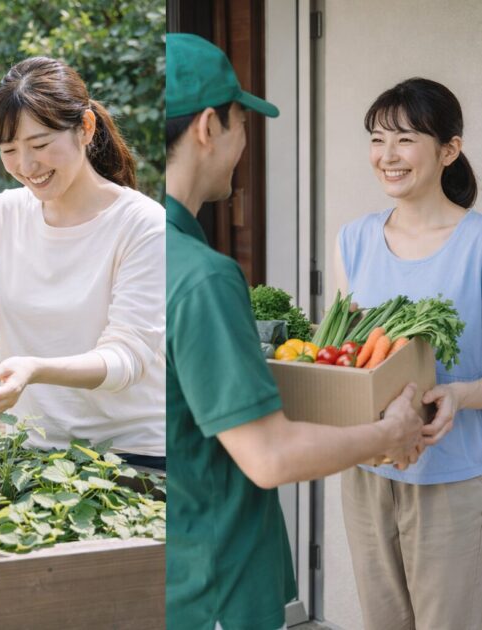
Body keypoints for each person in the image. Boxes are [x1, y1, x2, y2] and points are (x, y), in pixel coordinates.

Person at [165, 34, 426, 630]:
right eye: (241, 123)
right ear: (208, 126)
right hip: (215, 585)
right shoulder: (202, 276)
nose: (244, 142)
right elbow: (269, 456)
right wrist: (389, 432)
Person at [0, 56, 166, 470]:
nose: (25, 166)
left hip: (133, 458)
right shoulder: (7, 213)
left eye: (39, 145)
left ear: (85, 127)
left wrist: (34, 369)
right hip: (33, 452)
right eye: (9, 150)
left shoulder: (143, 225)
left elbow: (125, 359)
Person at [335, 77, 482, 630]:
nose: (387, 156)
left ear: (448, 150)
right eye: (377, 139)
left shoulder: (478, 244)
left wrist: (461, 394)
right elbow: (345, 359)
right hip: (368, 471)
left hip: (454, 478)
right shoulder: (354, 239)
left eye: (405, 139)